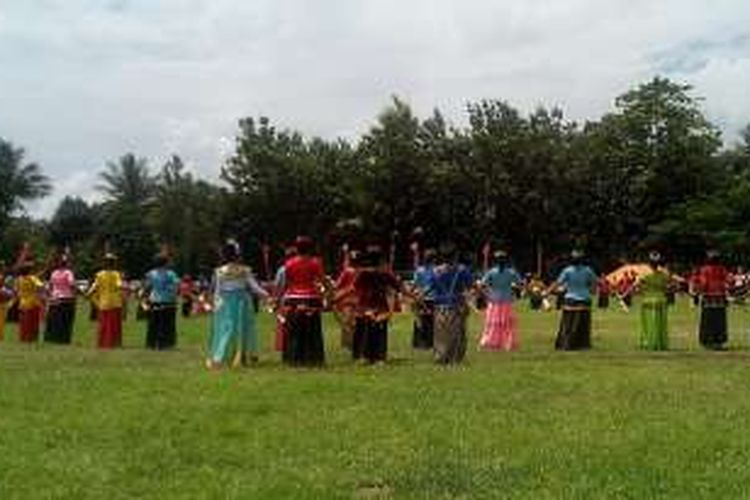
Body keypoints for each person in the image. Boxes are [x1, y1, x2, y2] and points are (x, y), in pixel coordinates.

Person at [206, 240, 269, 369]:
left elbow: (218, 290)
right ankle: (243, 355)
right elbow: (254, 287)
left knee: (226, 329)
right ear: (237, 255)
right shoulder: (244, 270)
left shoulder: (219, 271)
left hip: (225, 303)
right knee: (244, 329)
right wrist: (267, 295)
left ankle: (222, 355)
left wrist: (216, 305)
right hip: (242, 302)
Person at [278, 236, 328, 366]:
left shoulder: (288, 263)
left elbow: (288, 283)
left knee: (293, 331)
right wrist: (328, 294)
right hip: (311, 298)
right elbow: (322, 280)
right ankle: (313, 357)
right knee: (312, 330)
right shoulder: (315, 263)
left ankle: (292, 357)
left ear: (296, 248)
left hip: (292, 298)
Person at [351, 246, 404, 364]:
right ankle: (380, 357)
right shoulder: (385, 274)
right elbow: (400, 288)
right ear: (380, 259)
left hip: (365, 307)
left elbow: (352, 289)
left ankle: (365, 356)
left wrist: (335, 299)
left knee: (366, 331)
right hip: (381, 307)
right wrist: (416, 298)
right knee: (380, 332)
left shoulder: (363, 273)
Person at [429, 245, 475, 364]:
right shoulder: (462, 270)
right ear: (455, 256)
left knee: (440, 333)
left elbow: (430, 287)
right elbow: (471, 286)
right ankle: (455, 357)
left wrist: (418, 297)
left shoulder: (435, 271)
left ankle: (440, 357)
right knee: (458, 333)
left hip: (439, 306)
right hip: (457, 305)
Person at [549, 250, 597, 351]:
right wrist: (592, 290)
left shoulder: (567, 270)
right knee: (583, 324)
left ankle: (566, 344)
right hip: (585, 299)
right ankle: (582, 345)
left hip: (570, 299)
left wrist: (547, 292)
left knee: (568, 324)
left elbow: (557, 283)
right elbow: (594, 283)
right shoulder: (588, 270)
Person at [478, 250, 522, 351]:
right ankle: (507, 342)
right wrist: (513, 288)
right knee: (505, 322)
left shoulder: (491, 272)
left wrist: (486, 292)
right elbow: (520, 283)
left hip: (495, 300)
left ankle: (492, 341)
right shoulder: (511, 272)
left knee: (493, 322)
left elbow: (482, 285)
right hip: (505, 300)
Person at [87, 253, 124, 349]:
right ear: (114, 263)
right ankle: (114, 343)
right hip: (115, 303)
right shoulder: (116, 274)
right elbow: (119, 285)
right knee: (114, 325)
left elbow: (93, 288)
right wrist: (129, 288)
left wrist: (90, 296)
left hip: (103, 303)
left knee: (103, 325)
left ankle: (103, 343)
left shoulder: (99, 274)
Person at [144, 254, 180, 350]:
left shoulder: (150, 273)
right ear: (166, 263)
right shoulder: (171, 274)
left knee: (153, 323)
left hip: (154, 300)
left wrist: (146, 298)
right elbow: (176, 286)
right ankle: (165, 343)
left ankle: (151, 343)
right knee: (167, 324)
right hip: (168, 301)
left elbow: (147, 286)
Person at [696, 250, 730, 350]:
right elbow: (728, 281)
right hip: (720, 297)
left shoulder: (705, 269)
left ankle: (707, 340)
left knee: (708, 319)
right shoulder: (722, 269)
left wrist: (698, 292)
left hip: (708, 297)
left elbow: (704, 283)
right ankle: (718, 341)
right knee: (720, 320)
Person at [637, 251, 670, 350]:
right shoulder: (664, 275)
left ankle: (650, 342)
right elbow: (668, 287)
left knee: (649, 323)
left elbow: (637, 286)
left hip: (648, 300)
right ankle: (660, 343)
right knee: (661, 324)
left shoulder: (645, 275)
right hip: (661, 301)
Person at [44, 254, 77, 344]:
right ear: (66, 263)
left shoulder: (54, 273)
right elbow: (72, 284)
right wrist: (75, 294)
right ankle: (63, 339)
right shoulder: (68, 273)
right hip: (66, 299)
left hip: (54, 299)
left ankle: (52, 338)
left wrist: (49, 296)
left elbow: (50, 286)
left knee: (54, 321)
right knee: (65, 322)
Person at [333, 249, 361, 351]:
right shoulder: (362, 272)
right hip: (359, 300)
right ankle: (357, 343)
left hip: (347, 300)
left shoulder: (347, 271)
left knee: (347, 323)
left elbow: (337, 285)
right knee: (356, 323)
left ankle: (347, 344)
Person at [410, 248, 437, 349]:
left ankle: (418, 343)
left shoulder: (419, 270)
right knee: (431, 322)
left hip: (420, 298)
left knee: (420, 321)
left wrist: (413, 294)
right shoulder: (436, 271)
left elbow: (414, 284)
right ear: (434, 259)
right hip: (432, 299)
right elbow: (434, 285)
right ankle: (430, 342)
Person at [15, 260, 45, 343]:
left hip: (22, 303)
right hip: (33, 303)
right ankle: (32, 339)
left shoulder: (19, 279)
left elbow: (16, 290)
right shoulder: (33, 278)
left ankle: (23, 338)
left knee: (23, 324)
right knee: (33, 324)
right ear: (30, 270)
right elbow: (41, 286)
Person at [0, 261, 13, 341]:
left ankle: (0, 337)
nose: (4, 268)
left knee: (2, 320)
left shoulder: (4, 276)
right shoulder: (2, 277)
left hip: (3, 302)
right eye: (3, 266)